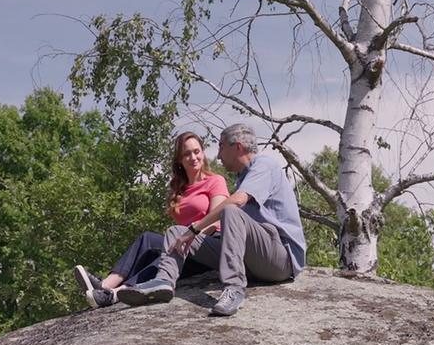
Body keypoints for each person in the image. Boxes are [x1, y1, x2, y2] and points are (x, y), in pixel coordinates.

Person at [117, 123, 306, 317]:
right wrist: (188, 233)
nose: (218, 155)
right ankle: (163, 281)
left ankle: (234, 288)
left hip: (281, 260)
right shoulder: (243, 177)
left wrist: (195, 229)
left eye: (221, 147)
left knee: (230, 210)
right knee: (176, 232)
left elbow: (238, 201)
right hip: (253, 262)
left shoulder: (264, 164)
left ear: (238, 147)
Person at [72, 131, 227, 308]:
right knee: (147, 239)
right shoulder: (179, 189)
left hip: (207, 245)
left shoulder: (215, 181)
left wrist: (187, 240)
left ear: (203, 153)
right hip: (184, 242)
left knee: (165, 257)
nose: (193, 157)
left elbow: (215, 220)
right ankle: (105, 285)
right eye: (187, 154)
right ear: (179, 159)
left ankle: (114, 295)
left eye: (196, 151)